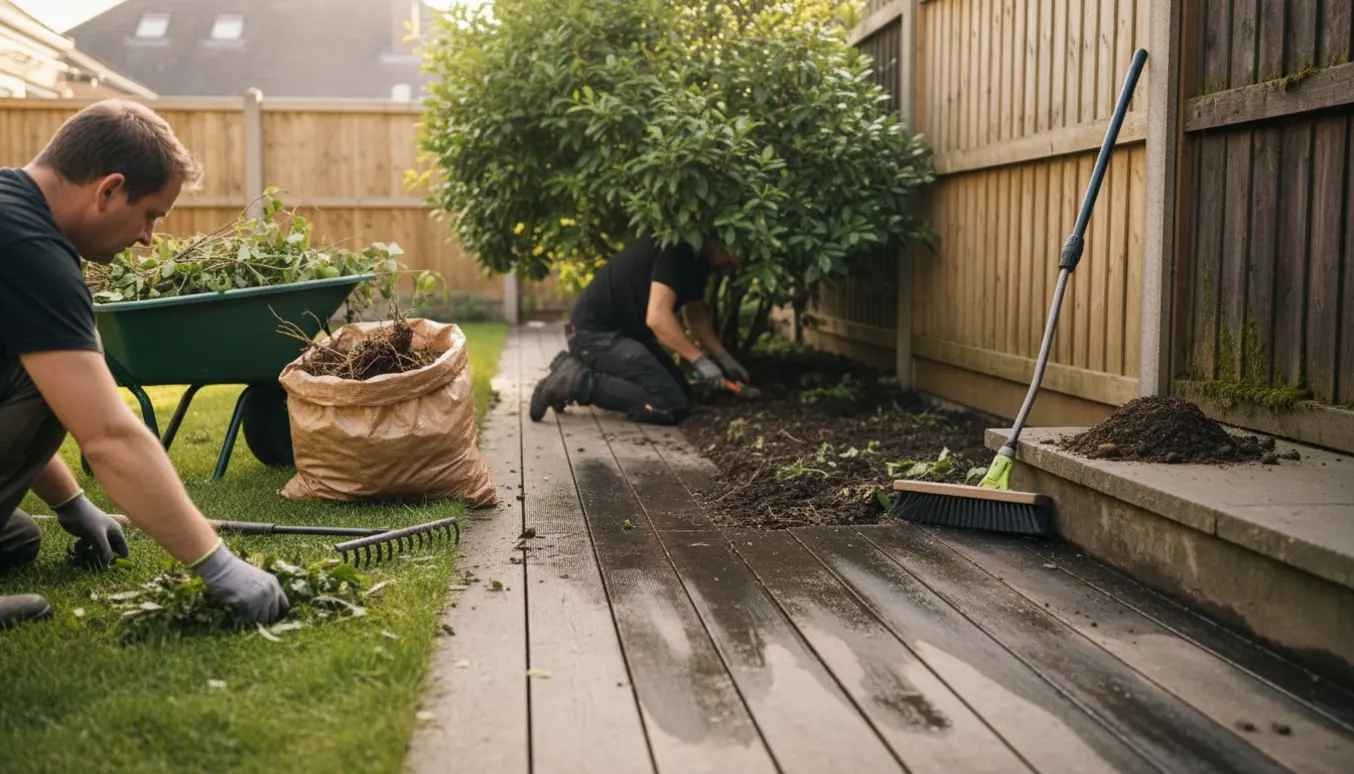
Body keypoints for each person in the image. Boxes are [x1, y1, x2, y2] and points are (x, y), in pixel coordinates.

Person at [0, 100, 289, 630]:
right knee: (70, 377)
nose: (148, 238)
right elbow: (108, 435)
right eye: (151, 214)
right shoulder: (30, 250)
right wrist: (217, 564)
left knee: (17, 536)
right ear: (108, 189)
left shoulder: (9, 206)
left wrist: (70, 503)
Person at [530, 234, 749, 425]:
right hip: (594, 334)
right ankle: (576, 381)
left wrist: (722, 356)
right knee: (671, 404)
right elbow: (658, 318)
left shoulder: (698, 261)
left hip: (625, 335)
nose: (734, 262)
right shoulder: (677, 251)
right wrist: (700, 361)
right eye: (734, 255)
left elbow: (695, 315)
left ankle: (569, 371)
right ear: (720, 240)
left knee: (680, 393)